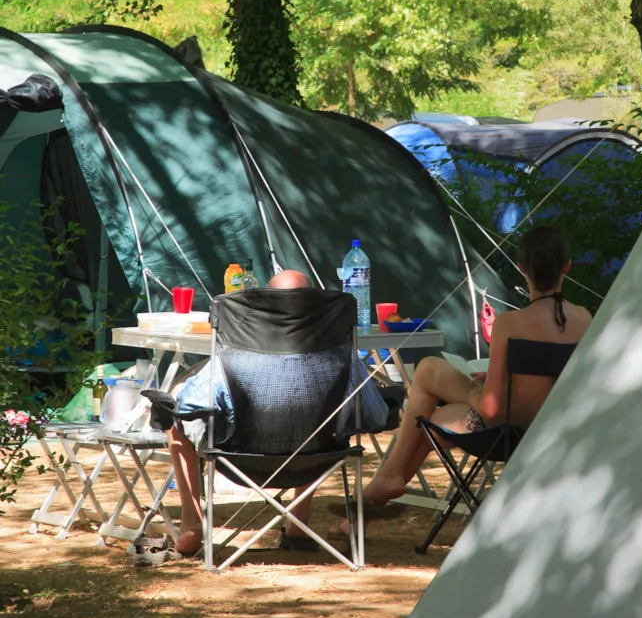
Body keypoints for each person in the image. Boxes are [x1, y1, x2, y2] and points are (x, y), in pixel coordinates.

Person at [352, 225, 592, 514]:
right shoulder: (584, 319)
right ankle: (383, 487)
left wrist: (478, 391)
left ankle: (382, 485)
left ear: (521, 267)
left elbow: (490, 409)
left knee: (430, 412)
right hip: (555, 426)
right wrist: (497, 381)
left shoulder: (509, 325)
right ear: (566, 266)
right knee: (429, 377)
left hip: (506, 431)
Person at [152, 269, 388, 556]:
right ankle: (298, 526)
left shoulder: (235, 354)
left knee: (174, 418)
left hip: (238, 457)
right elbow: (376, 417)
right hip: (317, 457)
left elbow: (188, 407)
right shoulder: (341, 358)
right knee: (325, 427)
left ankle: (191, 528)